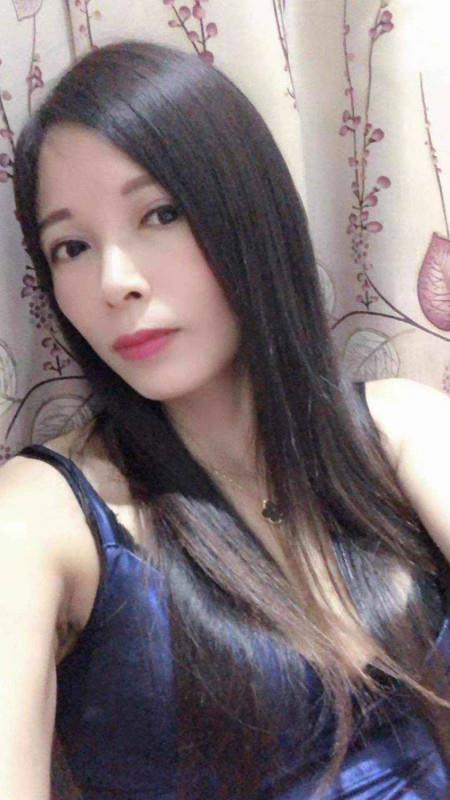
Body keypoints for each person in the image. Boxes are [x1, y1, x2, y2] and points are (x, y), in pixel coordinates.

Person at [2, 38, 450, 800]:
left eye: (160, 213)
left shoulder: (399, 431)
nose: (115, 282)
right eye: (71, 246)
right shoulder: (43, 516)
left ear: (249, 211)